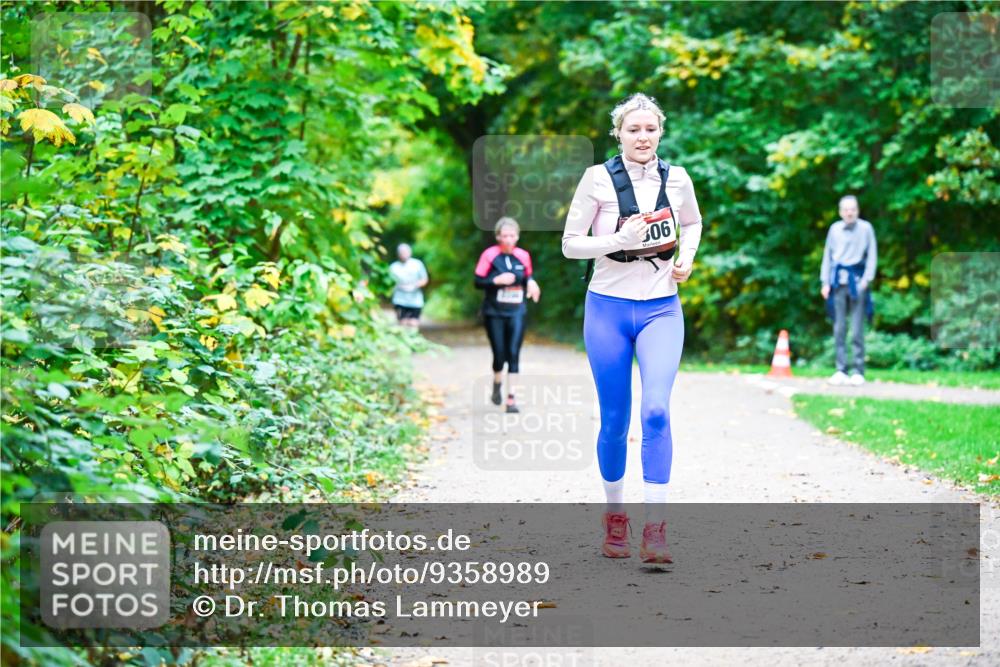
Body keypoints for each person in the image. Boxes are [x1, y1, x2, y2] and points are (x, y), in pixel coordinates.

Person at [562, 93, 704, 564]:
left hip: (662, 309)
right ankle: (615, 516)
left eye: (650, 129)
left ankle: (656, 530)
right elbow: (570, 245)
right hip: (607, 308)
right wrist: (618, 240)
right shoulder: (596, 178)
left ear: (660, 132)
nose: (643, 137)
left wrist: (686, 257)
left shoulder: (677, 178)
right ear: (618, 134)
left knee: (657, 411)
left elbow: (693, 222)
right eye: (633, 129)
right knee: (615, 420)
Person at [474, 217, 541, 414]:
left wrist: (531, 282)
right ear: (498, 237)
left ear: (517, 236)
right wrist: (496, 280)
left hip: (516, 311)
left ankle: (511, 399)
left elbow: (527, 276)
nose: (508, 240)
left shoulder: (523, 256)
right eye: (504, 236)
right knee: (499, 355)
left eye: (512, 236)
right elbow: (477, 281)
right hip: (493, 312)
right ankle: (497, 384)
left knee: (513, 353)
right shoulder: (489, 255)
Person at [820, 195, 877, 386]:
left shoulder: (866, 228)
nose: (849, 212)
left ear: (857, 210)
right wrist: (825, 282)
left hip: (858, 283)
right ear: (840, 212)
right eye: (846, 209)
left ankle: (858, 370)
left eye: (853, 209)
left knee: (857, 329)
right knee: (839, 328)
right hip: (838, 283)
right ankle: (840, 370)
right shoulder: (834, 229)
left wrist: (866, 280)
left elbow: (872, 255)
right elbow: (827, 257)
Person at [389, 243, 429, 330]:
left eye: (405, 252)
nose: (404, 254)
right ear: (398, 254)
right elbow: (389, 283)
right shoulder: (393, 267)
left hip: (415, 300)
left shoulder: (417, 264)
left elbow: (424, 279)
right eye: (401, 252)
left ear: (410, 252)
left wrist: (414, 286)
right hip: (399, 300)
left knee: (413, 324)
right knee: (402, 323)